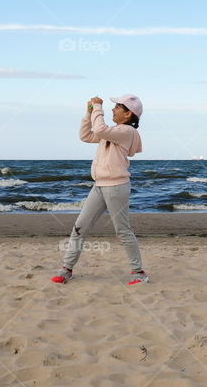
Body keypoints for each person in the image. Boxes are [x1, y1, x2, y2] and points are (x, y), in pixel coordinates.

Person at [51, 94, 148, 285]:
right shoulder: (112, 131)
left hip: (117, 187)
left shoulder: (127, 132)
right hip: (99, 186)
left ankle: (139, 272)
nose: (113, 110)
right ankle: (66, 269)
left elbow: (99, 128)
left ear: (128, 114)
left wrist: (97, 106)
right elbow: (86, 135)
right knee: (79, 227)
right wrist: (88, 113)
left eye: (117, 107)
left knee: (123, 231)